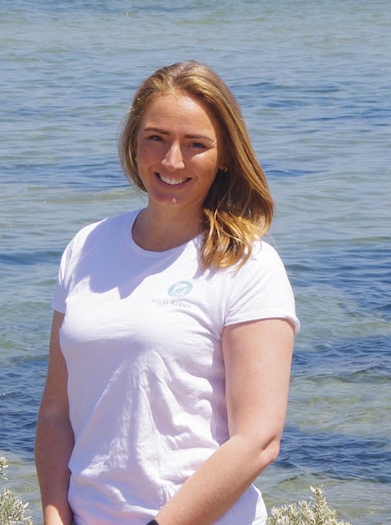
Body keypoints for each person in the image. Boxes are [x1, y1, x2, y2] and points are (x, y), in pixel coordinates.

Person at [35, 60, 299, 525]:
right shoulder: (86, 247)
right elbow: (56, 413)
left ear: (224, 158)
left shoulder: (248, 265)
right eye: (157, 137)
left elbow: (257, 440)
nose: (172, 161)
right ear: (134, 141)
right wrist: (55, 516)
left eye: (196, 144)